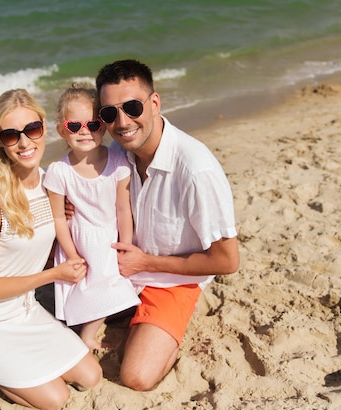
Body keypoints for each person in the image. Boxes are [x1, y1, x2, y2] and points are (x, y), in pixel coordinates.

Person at [0, 89, 102, 410]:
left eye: (32, 129)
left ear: (44, 128)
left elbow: (39, 243)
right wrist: (55, 274)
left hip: (21, 310)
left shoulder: (51, 181)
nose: (25, 142)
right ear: (0, 141)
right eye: (12, 135)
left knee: (91, 376)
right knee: (56, 399)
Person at [95, 59, 240, 391]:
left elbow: (227, 261)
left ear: (155, 103)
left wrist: (145, 263)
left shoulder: (195, 169)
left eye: (132, 107)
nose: (122, 122)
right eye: (108, 114)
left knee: (137, 376)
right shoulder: (118, 154)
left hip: (173, 280)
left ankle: (176, 326)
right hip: (125, 271)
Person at [43, 83, 141, 350]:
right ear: (63, 130)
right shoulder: (58, 172)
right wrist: (71, 253)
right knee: (89, 289)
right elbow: (58, 219)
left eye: (93, 124)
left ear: (104, 126)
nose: (85, 131)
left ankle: (90, 330)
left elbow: (123, 209)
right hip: (78, 241)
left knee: (112, 282)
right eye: (75, 126)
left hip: (109, 237)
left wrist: (127, 244)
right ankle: (86, 333)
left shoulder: (118, 162)